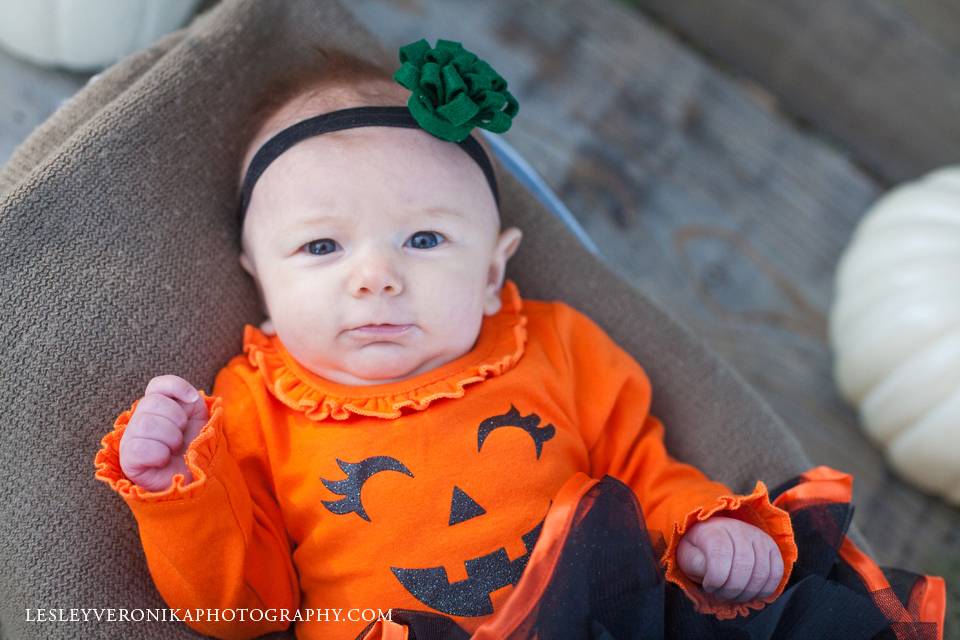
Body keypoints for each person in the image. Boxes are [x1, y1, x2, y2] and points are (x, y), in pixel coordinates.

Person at [93, 39, 944, 640]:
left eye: (425, 240)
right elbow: (246, 609)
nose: (376, 277)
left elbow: (639, 468)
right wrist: (180, 494)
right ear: (258, 279)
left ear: (496, 270)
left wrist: (696, 528)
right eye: (322, 247)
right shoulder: (250, 408)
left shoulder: (554, 346)